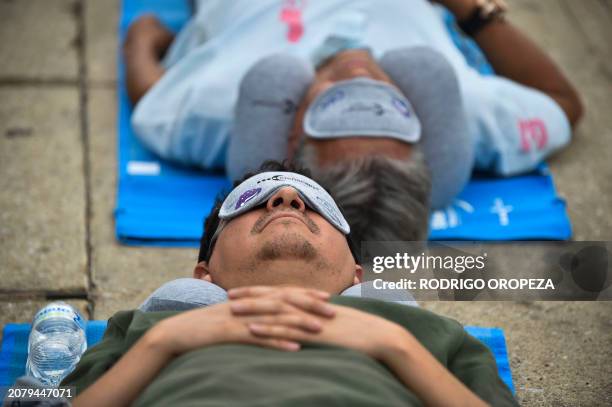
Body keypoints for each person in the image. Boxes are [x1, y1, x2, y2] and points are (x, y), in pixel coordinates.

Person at [55, 161, 518, 406]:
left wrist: (398, 346)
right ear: (204, 274)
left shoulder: (423, 335)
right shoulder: (147, 328)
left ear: (358, 276)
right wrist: (162, 344)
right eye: (250, 200)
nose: (287, 197)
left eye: (316, 203)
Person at [124, 0, 583, 244]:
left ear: (291, 135)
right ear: (425, 121)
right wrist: (471, 10)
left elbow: (152, 97)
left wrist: (142, 37)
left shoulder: (223, 107)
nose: (358, 74)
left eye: (336, 109)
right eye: (388, 109)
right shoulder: (469, 111)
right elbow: (562, 102)